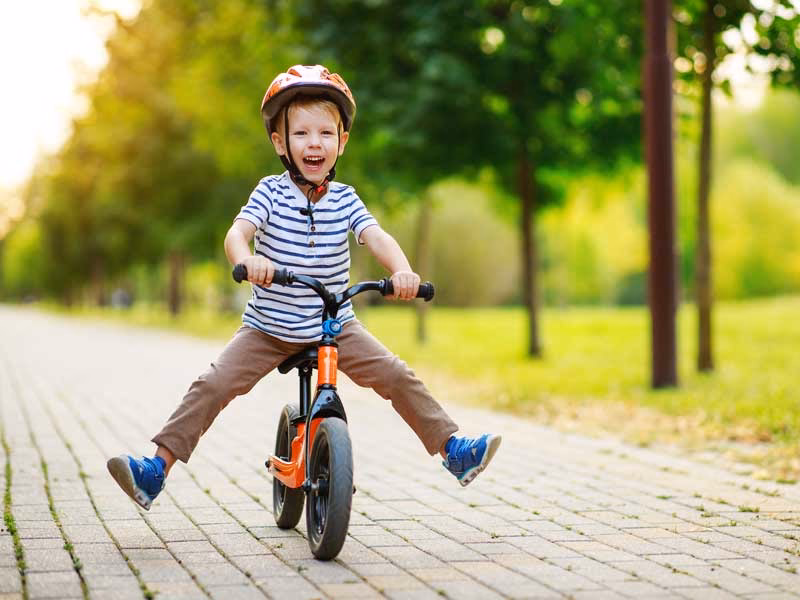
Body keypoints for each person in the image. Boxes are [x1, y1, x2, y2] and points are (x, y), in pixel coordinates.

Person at [107, 65, 501, 511]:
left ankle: (453, 451)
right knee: (213, 384)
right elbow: (236, 235)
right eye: (302, 134)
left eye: (325, 134)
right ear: (281, 142)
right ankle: (155, 470)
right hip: (268, 327)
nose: (315, 143)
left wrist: (404, 271)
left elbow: (377, 238)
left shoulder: (347, 199)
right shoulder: (270, 194)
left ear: (342, 141)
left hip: (335, 326)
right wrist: (247, 260)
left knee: (396, 374)